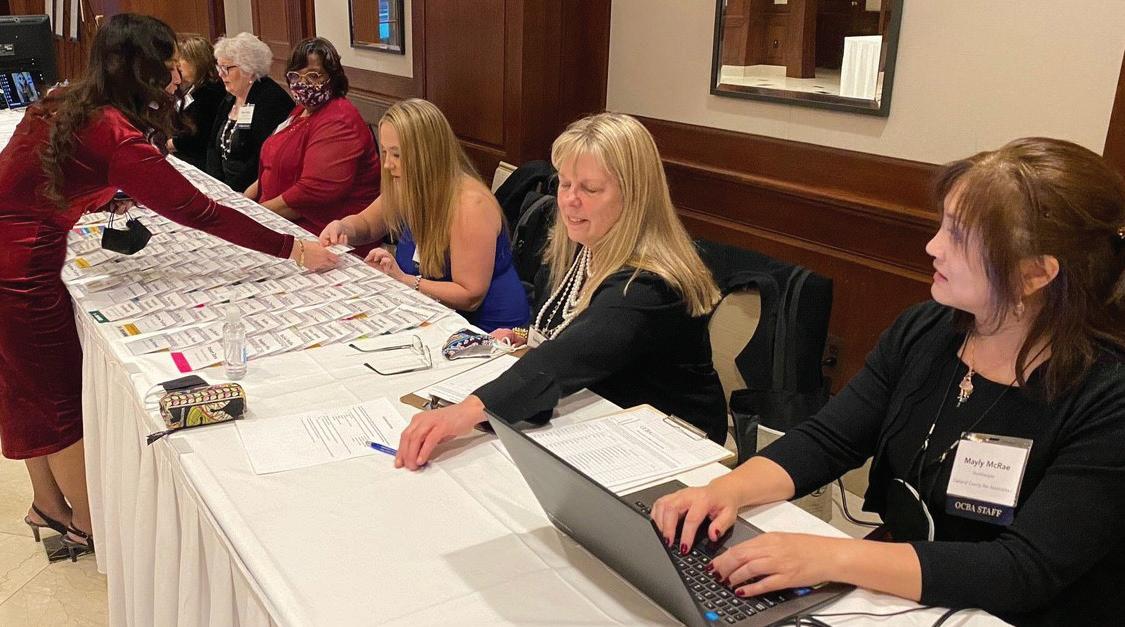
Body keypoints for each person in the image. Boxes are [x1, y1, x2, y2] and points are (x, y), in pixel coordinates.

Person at [651, 138, 1125, 626]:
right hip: (909, 595)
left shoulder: (1107, 397)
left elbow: (1021, 570)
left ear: (1034, 274)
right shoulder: (927, 330)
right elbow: (830, 439)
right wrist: (728, 489)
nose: (933, 246)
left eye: (959, 236)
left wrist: (830, 556)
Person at [0, 14, 337, 559]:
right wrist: (293, 248)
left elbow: (40, 173)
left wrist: (101, 194)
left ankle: (47, 504)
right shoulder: (114, 132)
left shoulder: (65, 100)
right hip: (21, 269)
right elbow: (200, 211)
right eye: (167, 63)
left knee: (25, 388)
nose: (175, 75)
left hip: (13, 251)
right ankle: (87, 525)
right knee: (58, 401)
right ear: (143, 69)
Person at [391, 112, 728, 471]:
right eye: (564, 184)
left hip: (672, 443)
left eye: (589, 189)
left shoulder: (650, 283)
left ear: (635, 197)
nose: (569, 200)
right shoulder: (585, 246)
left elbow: (571, 356)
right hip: (599, 413)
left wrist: (465, 412)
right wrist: (525, 336)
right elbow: (566, 330)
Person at [319, 98, 529, 330]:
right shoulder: (408, 183)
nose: (387, 164)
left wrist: (403, 280)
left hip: (487, 328)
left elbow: (470, 295)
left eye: (397, 155)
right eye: (385, 152)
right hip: (426, 313)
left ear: (426, 155)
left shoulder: (470, 205)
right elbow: (368, 224)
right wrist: (343, 228)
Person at [245, 37, 380, 255]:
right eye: (295, 76)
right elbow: (272, 163)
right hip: (281, 221)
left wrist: (254, 215)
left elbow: (311, 195)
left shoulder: (339, 119)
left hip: (322, 237)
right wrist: (245, 201)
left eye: (313, 76)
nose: (303, 83)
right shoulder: (301, 111)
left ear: (333, 78)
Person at [206, 32, 293, 192]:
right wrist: (215, 184)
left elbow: (262, 157)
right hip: (224, 187)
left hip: (252, 190)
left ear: (249, 69)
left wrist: (232, 191)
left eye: (226, 68)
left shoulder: (271, 100)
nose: (220, 74)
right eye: (219, 67)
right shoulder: (230, 98)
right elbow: (212, 144)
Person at [166, 34, 226, 171]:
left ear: (196, 61)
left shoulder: (211, 91)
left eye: (182, 59)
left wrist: (173, 143)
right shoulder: (193, 87)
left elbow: (202, 135)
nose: (178, 65)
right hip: (186, 155)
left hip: (200, 162)